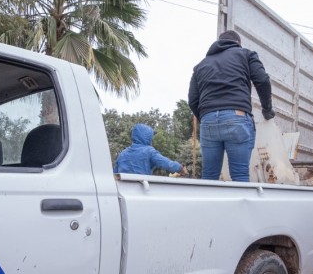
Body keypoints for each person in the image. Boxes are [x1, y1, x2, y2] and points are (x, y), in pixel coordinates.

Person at [188, 30, 274, 182]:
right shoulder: (246, 54)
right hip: (237, 117)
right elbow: (262, 80)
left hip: (208, 121)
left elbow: (193, 100)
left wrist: (207, 118)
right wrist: (267, 109)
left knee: (209, 178)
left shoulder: (200, 66)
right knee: (239, 176)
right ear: (237, 43)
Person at [114, 123, 188, 176]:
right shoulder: (149, 151)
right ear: (147, 138)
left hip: (123, 191)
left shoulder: (122, 154)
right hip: (141, 189)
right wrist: (180, 168)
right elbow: (166, 163)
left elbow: (115, 174)